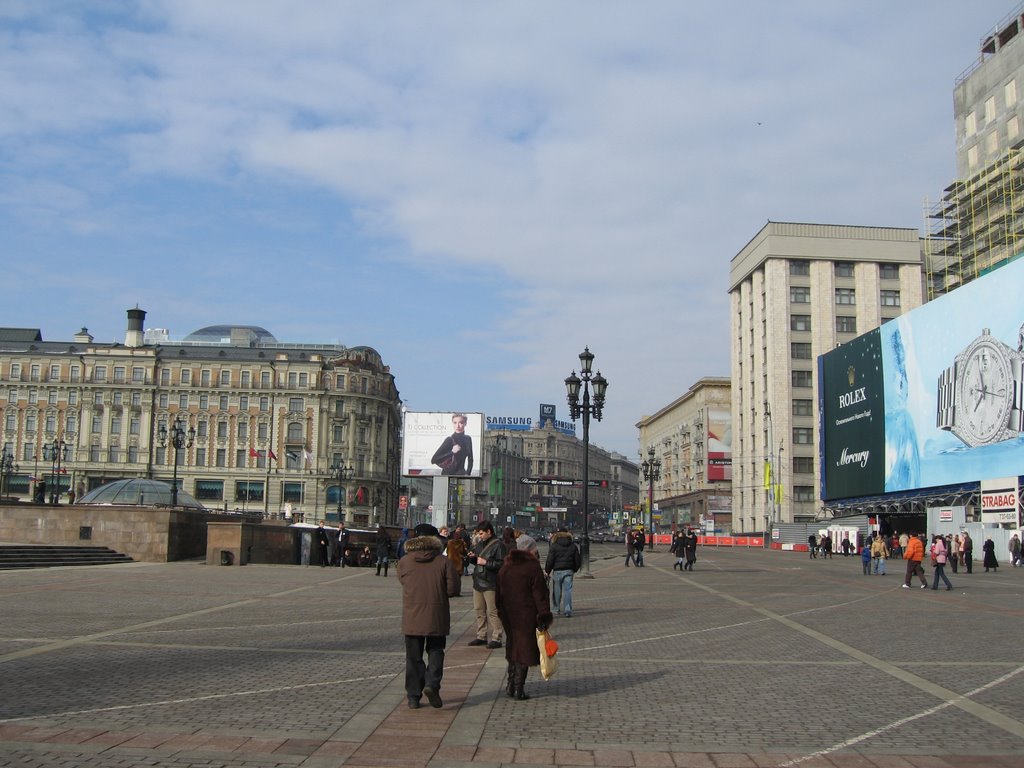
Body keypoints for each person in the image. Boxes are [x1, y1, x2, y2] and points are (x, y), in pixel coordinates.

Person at [397, 523, 460, 709]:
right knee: (435, 651)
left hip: (412, 615)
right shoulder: (443, 562)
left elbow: (402, 580)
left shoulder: (405, 561)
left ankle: (413, 697)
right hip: (437, 614)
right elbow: (453, 589)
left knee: (413, 656)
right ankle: (432, 684)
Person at [496, 537, 553, 701]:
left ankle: (510, 684)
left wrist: (500, 611)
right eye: (534, 549)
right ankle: (518, 688)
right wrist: (543, 616)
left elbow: (497, 592)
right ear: (528, 550)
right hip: (527, 615)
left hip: (509, 615)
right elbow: (540, 595)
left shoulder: (506, 566)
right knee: (525, 650)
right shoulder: (532, 567)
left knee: (513, 647)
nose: (537, 552)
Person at [468, 521, 506, 649]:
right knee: (479, 610)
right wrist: (472, 558)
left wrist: (486, 562)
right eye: (478, 533)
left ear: (489, 531)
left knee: (493, 611)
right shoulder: (480, 544)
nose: (480, 536)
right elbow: (478, 560)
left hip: (490, 582)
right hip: (478, 581)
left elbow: (502, 564)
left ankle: (497, 637)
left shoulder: (498, 545)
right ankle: (481, 635)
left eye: (481, 533)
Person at [545, 525, 581, 617]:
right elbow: (577, 559)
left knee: (557, 591)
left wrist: (547, 570)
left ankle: (556, 609)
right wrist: (575, 569)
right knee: (568, 590)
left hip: (557, 570)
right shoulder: (573, 546)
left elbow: (550, 559)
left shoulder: (554, 546)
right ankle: (567, 610)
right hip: (569, 570)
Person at [445, 528, 467, 596]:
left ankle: (450, 592)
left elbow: (447, 551)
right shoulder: (462, 543)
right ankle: (457, 592)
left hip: (451, 561)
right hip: (459, 562)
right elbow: (464, 552)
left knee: (451, 578)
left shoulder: (449, 542)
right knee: (458, 579)